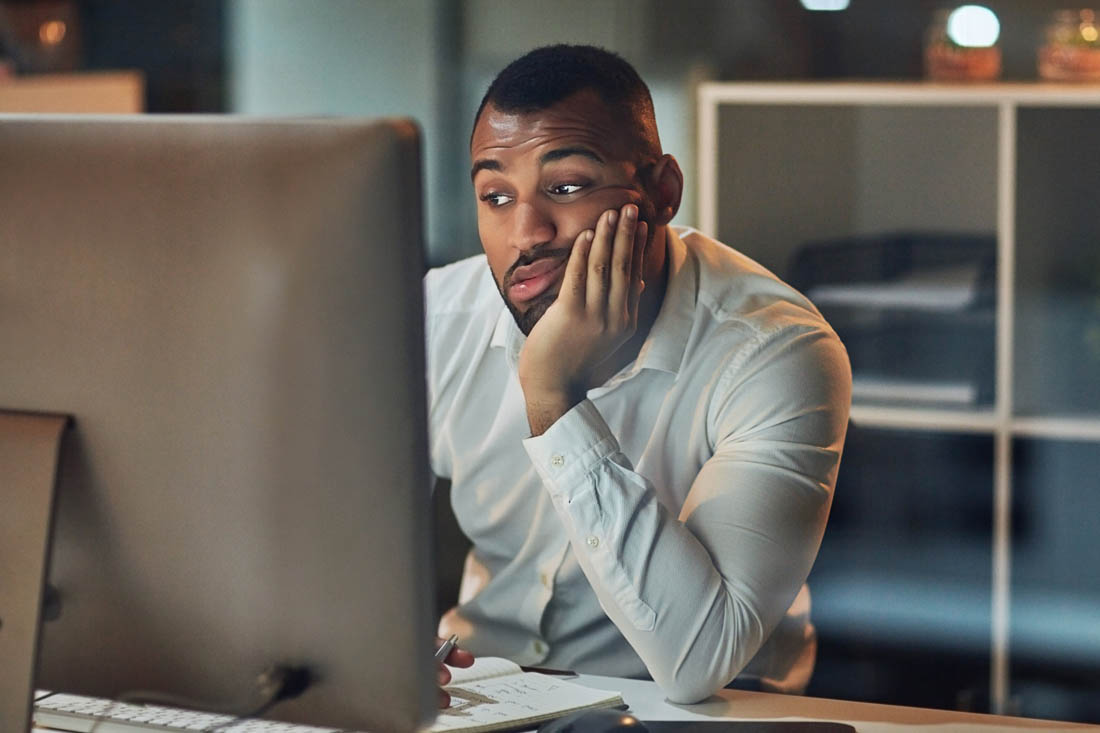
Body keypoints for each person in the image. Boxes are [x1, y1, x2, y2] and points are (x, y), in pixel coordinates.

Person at [428, 44, 851, 705]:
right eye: (497, 196)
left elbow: (699, 660)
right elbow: (331, 537)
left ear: (662, 193)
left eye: (566, 187)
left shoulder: (777, 349)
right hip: (485, 692)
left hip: (706, 710)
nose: (526, 233)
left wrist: (554, 397)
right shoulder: (436, 318)